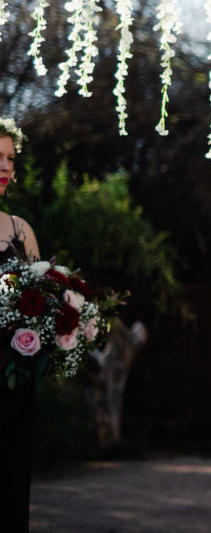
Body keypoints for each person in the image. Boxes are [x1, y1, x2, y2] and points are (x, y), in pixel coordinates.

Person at [0, 119, 41, 533]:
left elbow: (39, 300)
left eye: (10, 158)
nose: (6, 166)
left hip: (12, 382)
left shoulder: (20, 230)